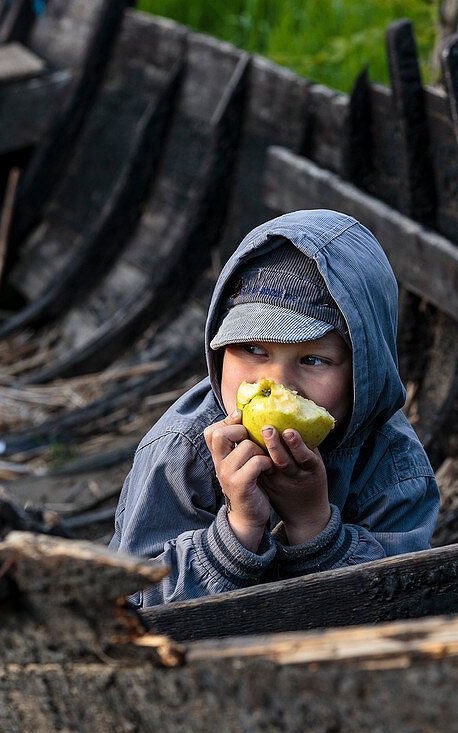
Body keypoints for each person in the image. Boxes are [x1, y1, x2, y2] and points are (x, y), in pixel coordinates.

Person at [109, 209, 440, 606]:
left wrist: (312, 524)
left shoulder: (393, 462)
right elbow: (133, 606)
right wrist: (239, 529)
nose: (275, 385)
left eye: (313, 360)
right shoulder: (180, 453)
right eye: (253, 349)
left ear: (365, 370)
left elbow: (398, 608)